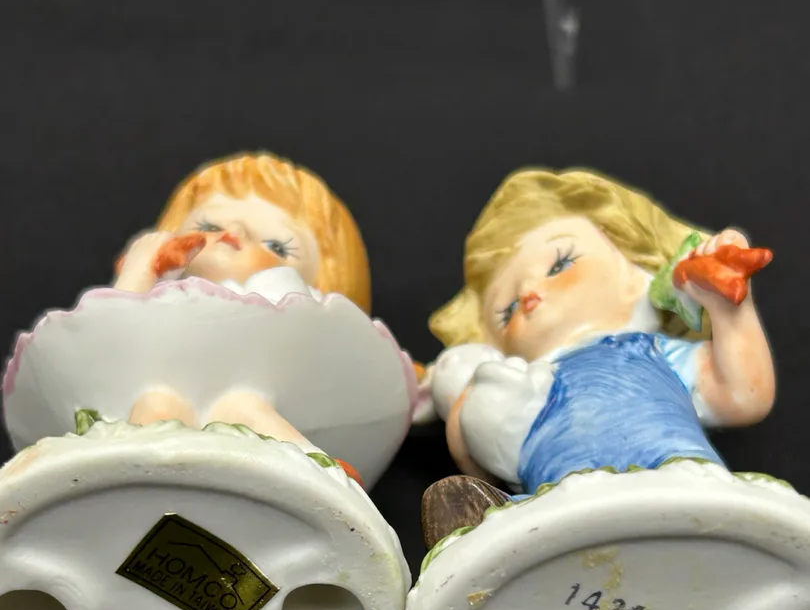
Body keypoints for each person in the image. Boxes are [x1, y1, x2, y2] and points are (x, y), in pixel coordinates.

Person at [420, 168, 775, 545]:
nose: (527, 293)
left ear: (637, 276)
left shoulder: (652, 352)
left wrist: (728, 310)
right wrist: (466, 411)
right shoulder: (524, 387)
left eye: (559, 264)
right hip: (564, 515)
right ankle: (488, 538)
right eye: (506, 311)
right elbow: (484, 465)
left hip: (677, 488)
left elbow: (744, 397)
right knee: (494, 510)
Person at [111, 152, 372, 440]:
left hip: (251, 396)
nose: (233, 232)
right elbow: (111, 335)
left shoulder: (284, 298)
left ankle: (311, 462)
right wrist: (141, 267)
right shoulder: (162, 297)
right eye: (209, 226)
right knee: (157, 404)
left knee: (245, 409)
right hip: (162, 388)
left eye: (276, 245)